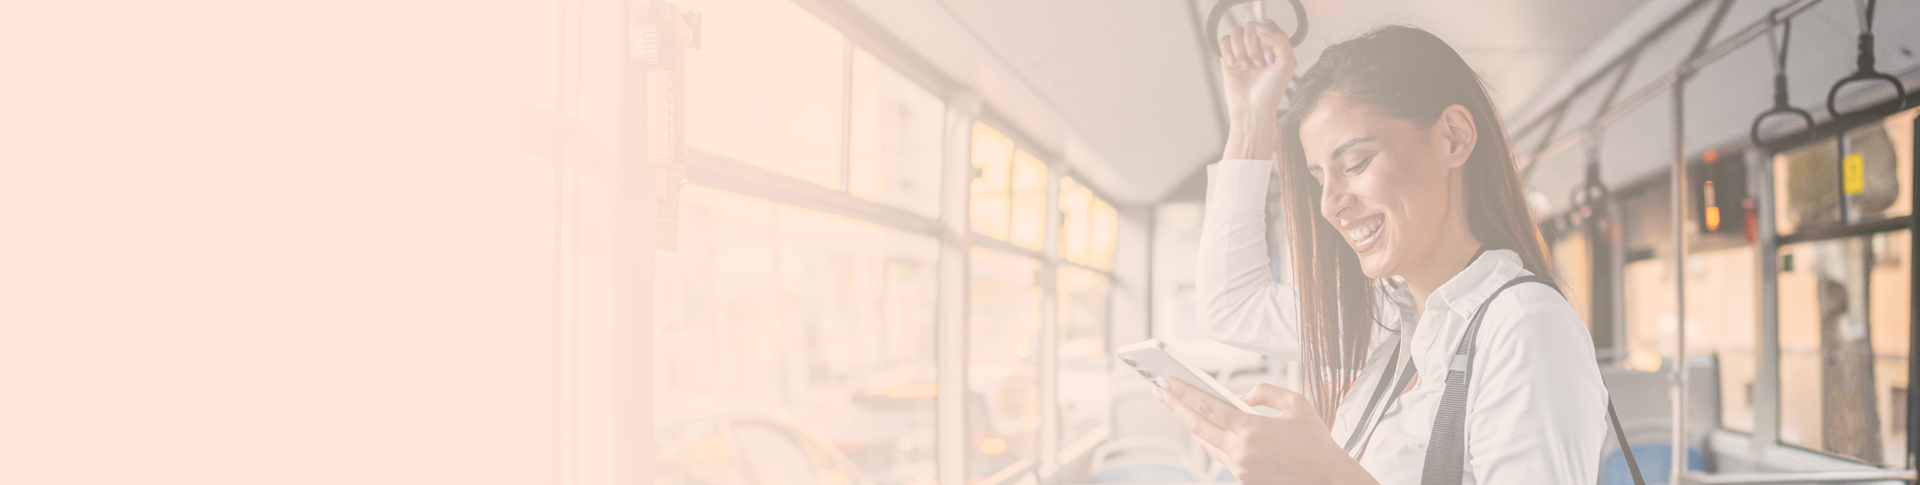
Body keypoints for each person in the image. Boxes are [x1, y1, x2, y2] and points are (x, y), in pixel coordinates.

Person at [1153, 21, 1607, 484]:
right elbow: (1232, 305)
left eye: (1356, 164)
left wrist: (1324, 474)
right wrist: (1252, 117)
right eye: (1319, 180)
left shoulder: (1523, 326)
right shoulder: (1395, 322)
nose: (1330, 204)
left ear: (1453, 136)